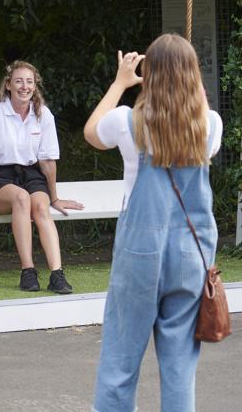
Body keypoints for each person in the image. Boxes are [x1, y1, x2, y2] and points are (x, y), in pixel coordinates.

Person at [84, 34, 222, 412]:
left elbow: (90, 132)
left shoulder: (127, 123)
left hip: (139, 254)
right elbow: (199, 116)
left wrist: (120, 82)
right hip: (190, 256)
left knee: (120, 359)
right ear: (193, 76)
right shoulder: (209, 125)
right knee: (179, 366)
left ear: (150, 73)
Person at [0, 60, 84, 294]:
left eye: (29, 82)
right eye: (18, 81)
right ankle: (28, 271)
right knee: (22, 198)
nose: (24, 86)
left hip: (30, 173)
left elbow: (47, 162)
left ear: (35, 86)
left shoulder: (43, 115)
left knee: (41, 208)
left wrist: (54, 198)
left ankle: (57, 274)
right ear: (8, 85)